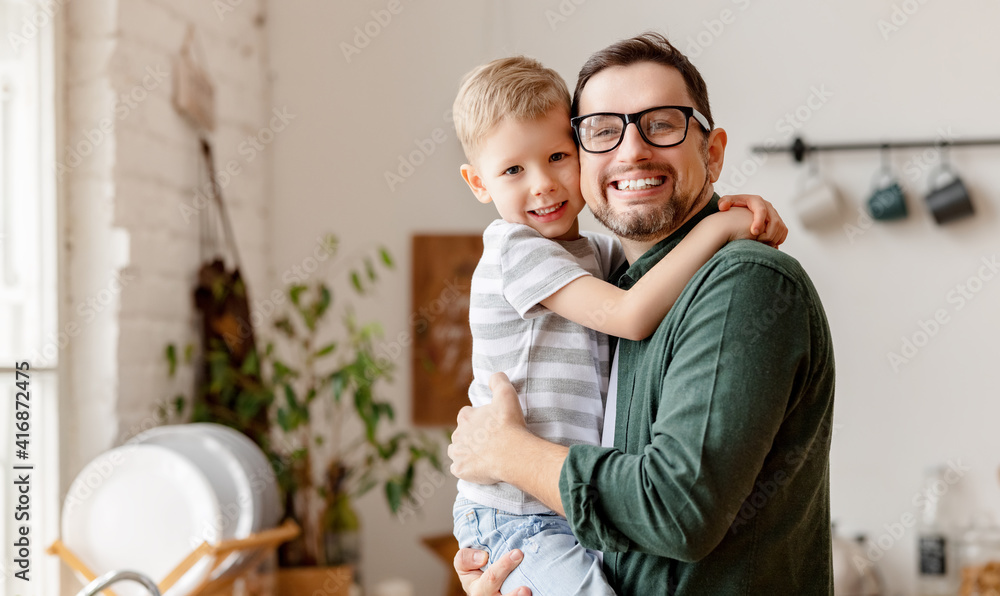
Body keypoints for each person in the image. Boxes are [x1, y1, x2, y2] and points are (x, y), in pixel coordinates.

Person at [449, 32, 836, 596]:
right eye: (603, 131)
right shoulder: (612, 282)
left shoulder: (743, 281)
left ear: (713, 152)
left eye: (661, 123)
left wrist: (509, 453)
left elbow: (674, 511)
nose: (631, 151)